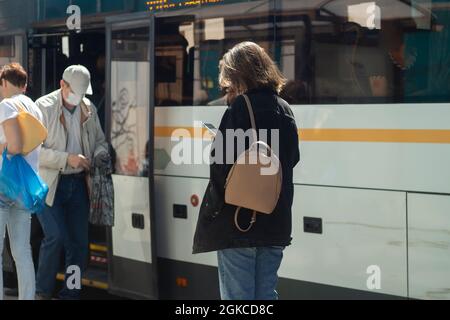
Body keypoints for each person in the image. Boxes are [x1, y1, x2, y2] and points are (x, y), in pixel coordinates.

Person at [192, 42, 300, 300]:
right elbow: (292, 159)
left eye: (229, 81)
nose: (228, 88)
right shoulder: (284, 109)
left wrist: (213, 213)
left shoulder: (241, 108)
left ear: (239, 75)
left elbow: (220, 167)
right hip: (275, 223)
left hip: (239, 223)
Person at [35, 65, 108, 300]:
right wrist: (68, 159)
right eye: (73, 92)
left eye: (81, 94)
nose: (76, 99)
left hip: (78, 185)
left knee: (78, 243)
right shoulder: (42, 108)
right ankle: (42, 292)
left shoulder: (89, 109)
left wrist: (98, 155)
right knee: (55, 237)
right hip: (49, 185)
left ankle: (71, 292)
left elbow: (100, 142)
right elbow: (35, 152)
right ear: (62, 84)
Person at [0, 62, 44, 300]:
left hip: (3, 186)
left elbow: (14, 146)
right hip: (25, 189)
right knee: (22, 250)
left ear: (5, 83)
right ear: (25, 85)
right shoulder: (34, 108)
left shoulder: (6, 106)